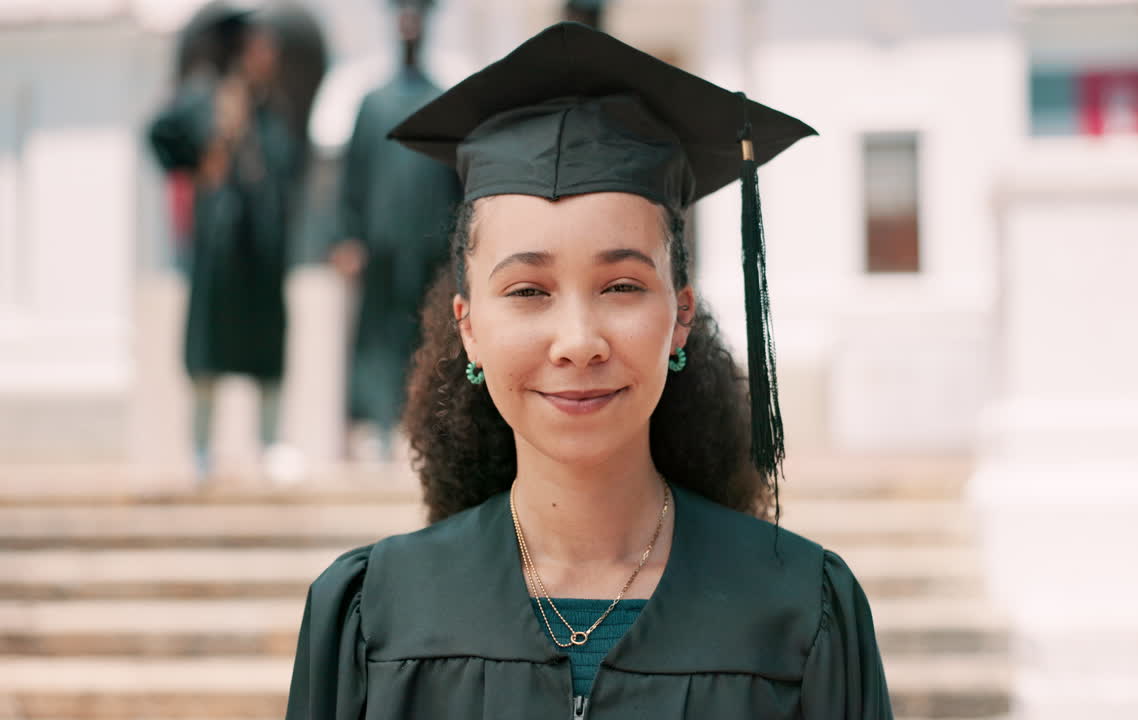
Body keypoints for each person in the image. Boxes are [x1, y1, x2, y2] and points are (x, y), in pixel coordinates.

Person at [285, 22, 894, 719]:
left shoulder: (799, 614)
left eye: (622, 286)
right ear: (469, 327)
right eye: (527, 291)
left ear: (681, 316)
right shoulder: (373, 618)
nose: (578, 342)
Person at [147, 12, 301, 482]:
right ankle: (200, 451)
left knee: (267, 344)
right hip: (217, 249)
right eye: (261, 47)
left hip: (262, 250)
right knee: (209, 349)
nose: (269, 56)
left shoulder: (269, 106)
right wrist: (200, 160)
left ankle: (270, 445)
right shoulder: (204, 97)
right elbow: (160, 132)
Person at [330, 0, 462, 460]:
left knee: (429, 336)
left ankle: (424, 425)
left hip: (431, 248)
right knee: (376, 338)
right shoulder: (372, 104)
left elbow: (458, 184)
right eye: (403, 13)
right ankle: (377, 425)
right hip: (379, 247)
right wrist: (346, 237)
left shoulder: (445, 102)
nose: (409, 22)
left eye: (417, 14)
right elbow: (352, 178)